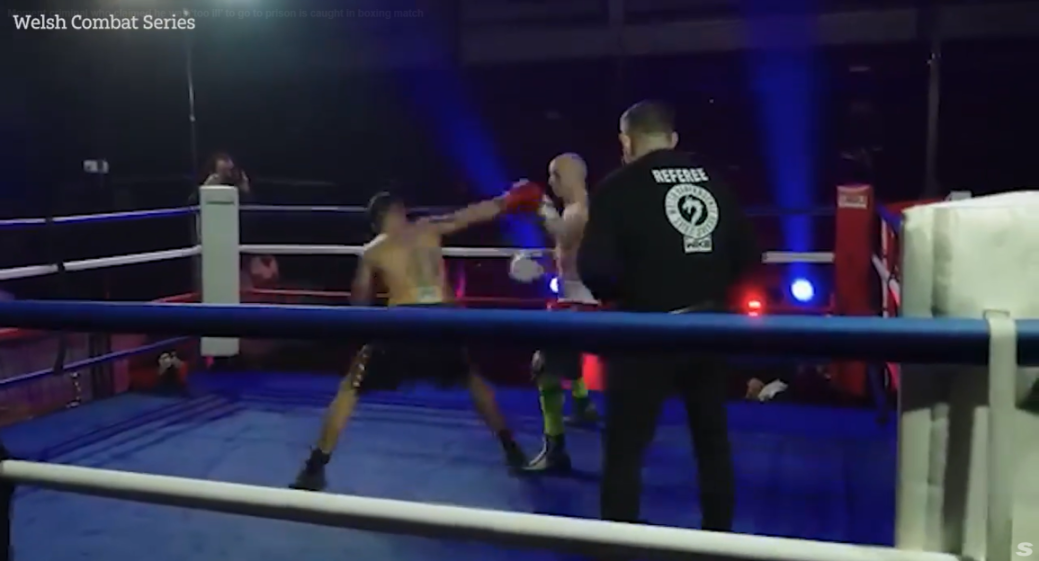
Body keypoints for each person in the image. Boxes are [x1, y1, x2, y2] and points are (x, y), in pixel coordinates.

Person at [291, 182, 545, 491]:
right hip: (442, 318)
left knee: (350, 387)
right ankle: (512, 451)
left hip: (402, 322)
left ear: (376, 221)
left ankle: (315, 467)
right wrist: (507, 201)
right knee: (471, 379)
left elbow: (358, 302)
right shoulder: (428, 228)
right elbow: (469, 215)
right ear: (399, 211)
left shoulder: (373, 250)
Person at [577, 100, 760, 530]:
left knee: (625, 449)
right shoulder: (714, 182)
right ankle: (719, 543)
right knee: (712, 443)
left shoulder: (619, 187)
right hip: (709, 329)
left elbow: (596, 271)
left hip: (646, 332)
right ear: (673, 139)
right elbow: (750, 256)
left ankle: (617, 549)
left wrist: (637, 291)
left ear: (627, 141)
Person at [512, 153, 600, 474]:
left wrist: (541, 206)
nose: (550, 182)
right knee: (564, 357)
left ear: (571, 177)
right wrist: (538, 263)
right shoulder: (575, 211)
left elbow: (564, 235)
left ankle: (555, 449)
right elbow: (566, 254)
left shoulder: (579, 211)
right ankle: (583, 405)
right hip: (574, 298)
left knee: (543, 367)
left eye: (555, 175)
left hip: (582, 303)